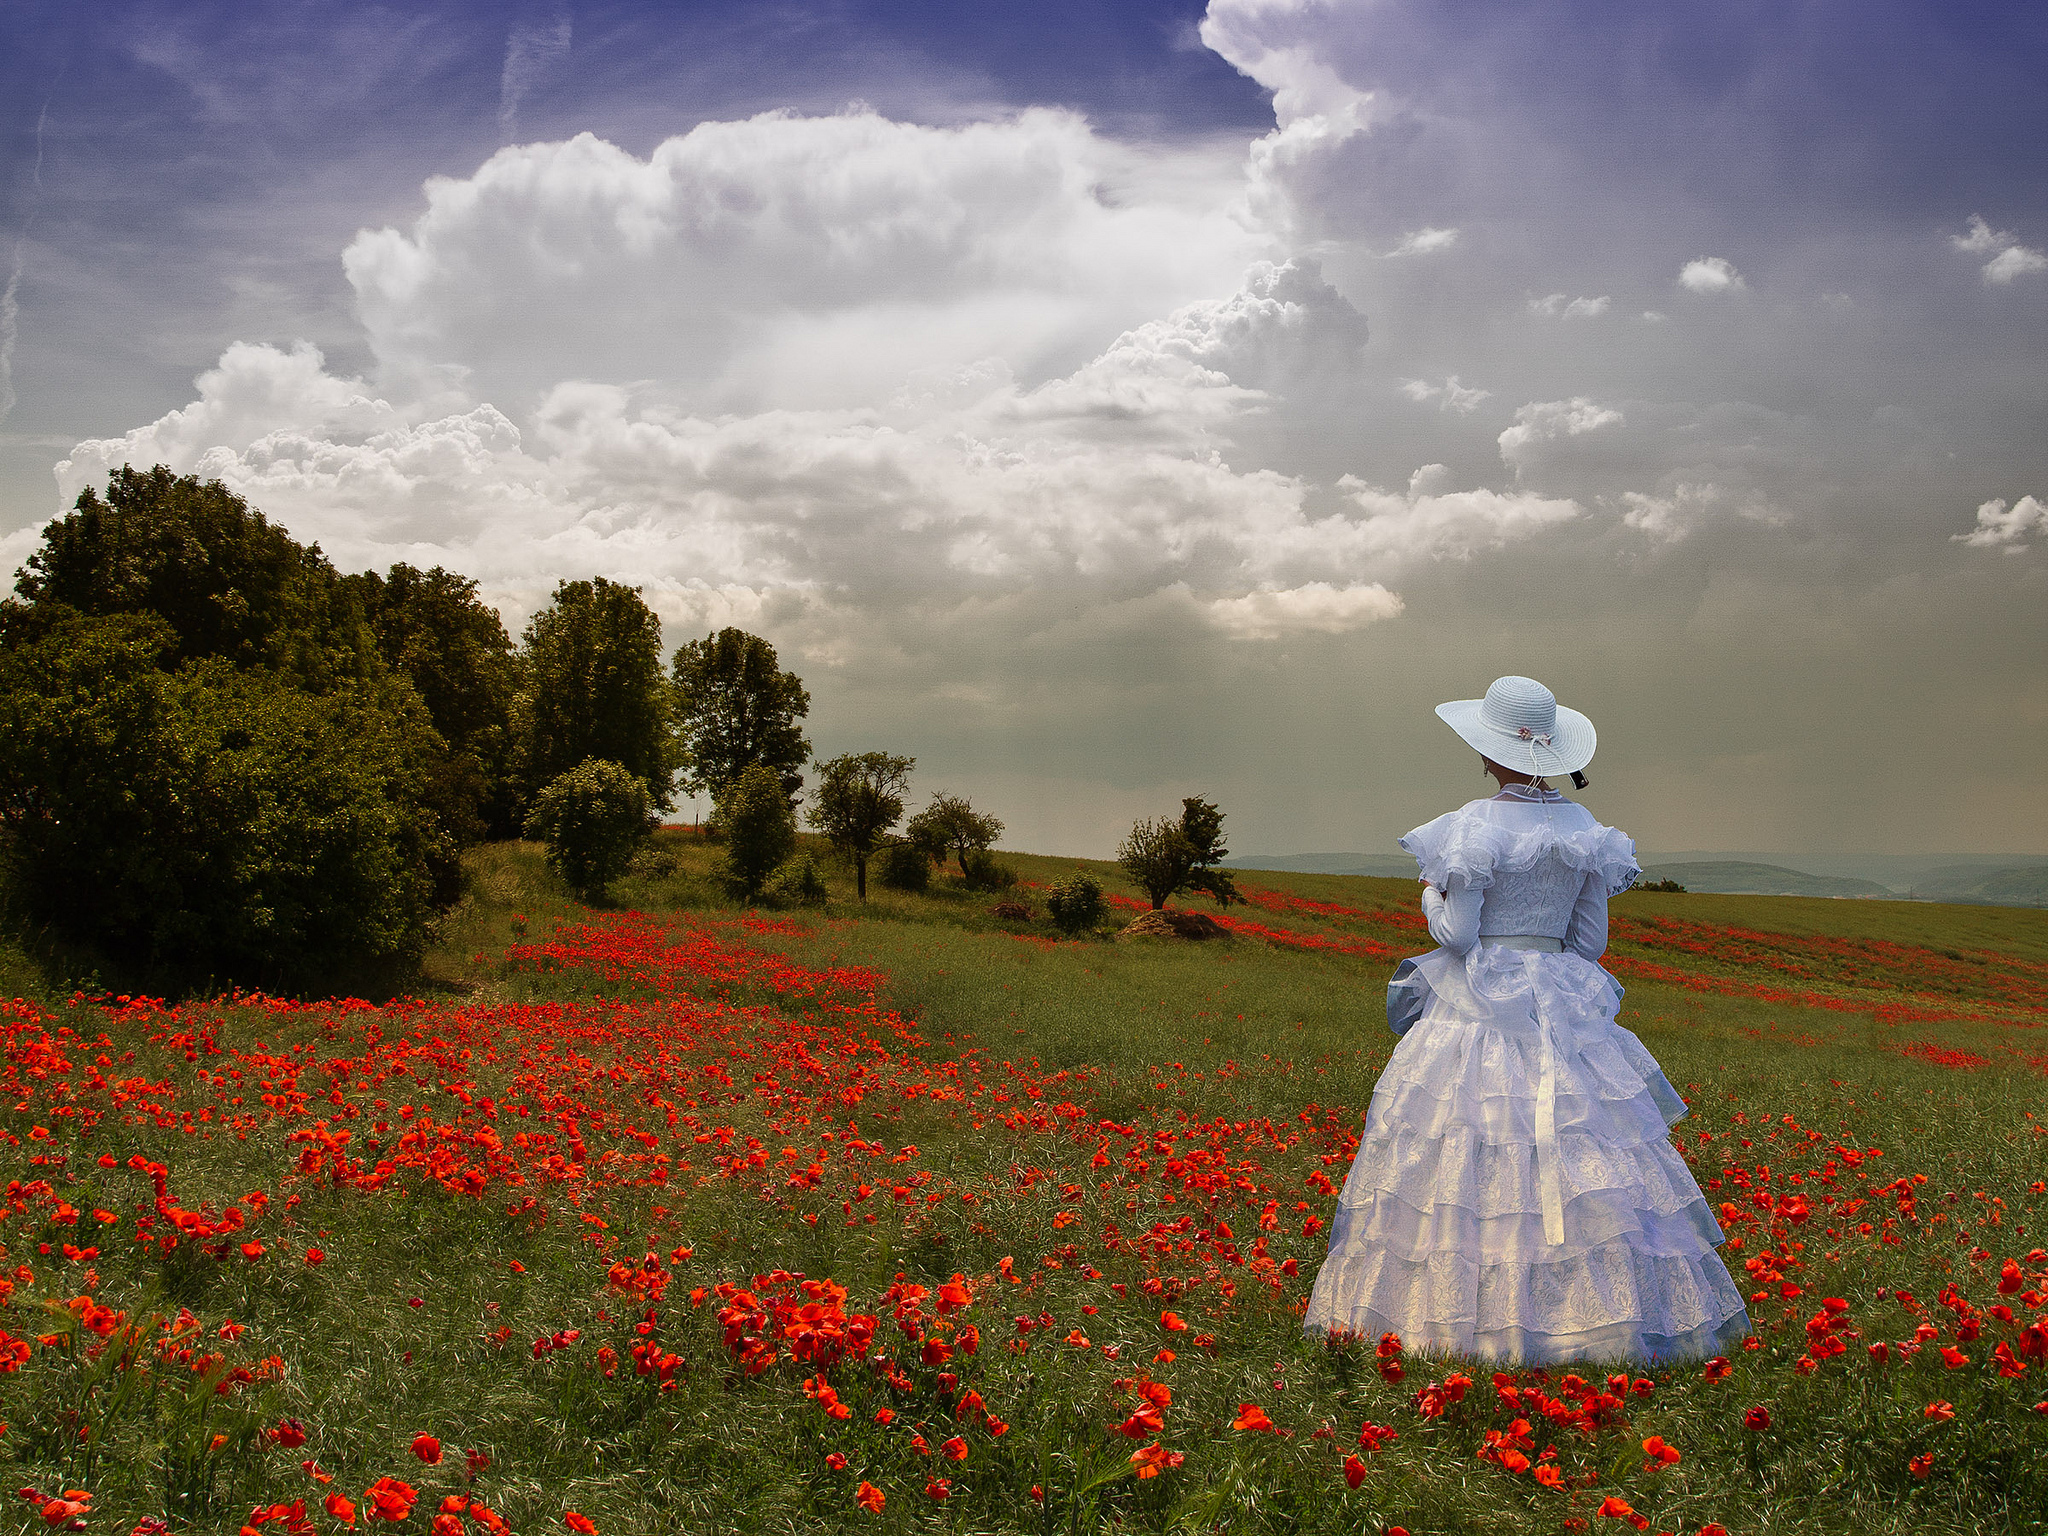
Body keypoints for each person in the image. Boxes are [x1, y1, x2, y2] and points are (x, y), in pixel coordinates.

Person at [1303, 676, 1750, 1363]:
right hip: (1561, 999)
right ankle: (1595, 1316)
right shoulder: (1589, 834)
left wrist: (1430, 895)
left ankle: (1448, 1321)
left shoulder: (1473, 827)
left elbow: (1457, 936)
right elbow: (1591, 944)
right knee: (1582, 1145)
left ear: (1488, 751)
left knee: (1463, 1144)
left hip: (1481, 996)